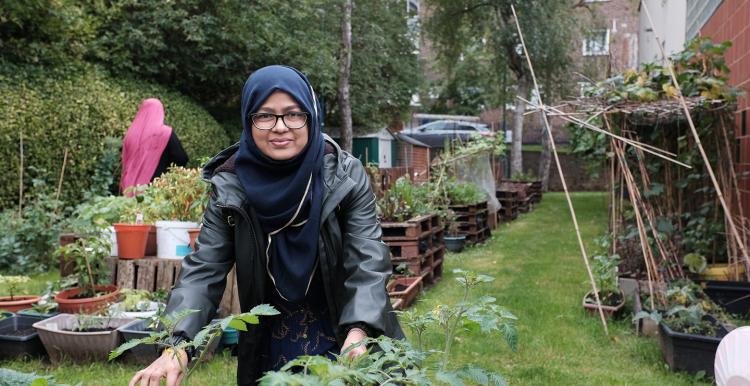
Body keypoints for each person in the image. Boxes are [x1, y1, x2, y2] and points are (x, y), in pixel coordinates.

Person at [128, 65, 403, 386]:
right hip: (272, 344)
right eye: (265, 116)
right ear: (249, 119)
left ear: (310, 116)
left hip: (349, 332)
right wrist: (176, 345)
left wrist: (360, 330)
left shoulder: (344, 176)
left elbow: (367, 260)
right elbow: (204, 270)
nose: (280, 127)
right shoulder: (231, 186)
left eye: (293, 114)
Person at [120, 98, 188, 195]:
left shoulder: (130, 134)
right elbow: (181, 158)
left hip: (129, 189)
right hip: (154, 190)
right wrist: (166, 171)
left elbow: (125, 162)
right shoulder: (165, 133)